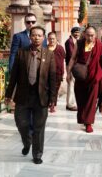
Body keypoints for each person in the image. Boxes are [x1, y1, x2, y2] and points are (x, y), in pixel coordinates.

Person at [5, 26, 56, 165]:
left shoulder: (49, 55)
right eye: (34, 35)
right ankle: (27, 142)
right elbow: (14, 76)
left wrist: (53, 99)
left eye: (39, 35)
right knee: (21, 123)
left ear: (44, 38)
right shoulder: (22, 53)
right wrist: (8, 95)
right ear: (30, 37)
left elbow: (53, 78)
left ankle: (37, 154)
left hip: (41, 97)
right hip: (23, 96)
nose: (36, 38)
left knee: (39, 128)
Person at [67, 26, 102, 133]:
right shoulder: (79, 43)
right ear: (84, 34)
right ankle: (83, 118)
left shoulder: (100, 45)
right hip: (81, 76)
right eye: (88, 34)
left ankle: (89, 123)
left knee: (91, 101)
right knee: (81, 99)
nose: (90, 37)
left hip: (94, 76)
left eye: (92, 35)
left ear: (96, 35)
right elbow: (73, 58)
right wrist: (68, 73)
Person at [47, 32, 65, 113]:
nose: (51, 40)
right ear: (47, 39)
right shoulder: (45, 48)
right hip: (46, 73)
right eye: (50, 39)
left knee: (55, 89)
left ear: (56, 39)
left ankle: (53, 104)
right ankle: (48, 103)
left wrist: (63, 73)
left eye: (53, 39)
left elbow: (63, 59)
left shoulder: (60, 48)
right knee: (47, 88)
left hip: (57, 73)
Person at [65, 27, 81, 111]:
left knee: (72, 84)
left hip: (75, 65)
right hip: (70, 65)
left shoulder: (75, 41)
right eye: (75, 32)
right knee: (71, 83)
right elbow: (72, 55)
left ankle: (70, 103)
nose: (77, 34)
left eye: (78, 32)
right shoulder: (69, 42)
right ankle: (70, 104)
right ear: (72, 33)